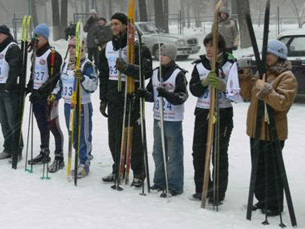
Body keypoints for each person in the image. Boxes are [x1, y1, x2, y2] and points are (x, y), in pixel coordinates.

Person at [239, 39, 297, 216]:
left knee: (272, 169)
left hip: (273, 131)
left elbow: (282, 103)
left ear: (279, 56)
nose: (267, 57)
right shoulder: (262, 73)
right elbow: (246, 95)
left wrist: (264, 87)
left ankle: (274, 203)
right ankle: (262, 199)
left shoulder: (287, 77)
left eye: (270, 54)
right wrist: (247, 78)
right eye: (265, 54)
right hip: (256, 128)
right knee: (258, 167)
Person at [98, 12, 153, 188]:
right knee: (114, 137)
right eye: (112, 24)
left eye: (117, 24)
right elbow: (104, 74)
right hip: (114, 96)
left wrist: (128, 68)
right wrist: (103, 99)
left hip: (131, 96)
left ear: (125, 26)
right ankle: (118, 168)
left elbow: (146, 72)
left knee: (134, 137)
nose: (114, 27)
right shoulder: (107, 47)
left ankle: (139, 172)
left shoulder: (137, 47)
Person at [189, 32, 241, 204]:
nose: (209, 49)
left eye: (212, 46)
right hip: (203, 111)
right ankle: (202, 187)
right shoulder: (200, 65)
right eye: (207, 46)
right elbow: (194, 90)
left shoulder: (230, 65)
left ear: (221, 47)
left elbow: (237, 95)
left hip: (222, 112)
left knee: (218, 153)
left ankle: (218, 192)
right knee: (199, 151)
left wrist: (223, 85)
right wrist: (203, 84)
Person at [137, 43, 188, 196]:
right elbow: (152, 94)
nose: (161, 57)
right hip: (158, 117)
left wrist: (167, 94)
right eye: (159, 54)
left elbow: (182, 97)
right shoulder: (155, 73)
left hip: (173, 119)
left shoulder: (178, 74)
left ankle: (174, 184)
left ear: (171, 57)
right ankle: (159, 180)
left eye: (164, 55)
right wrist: (144, 94)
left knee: (174, 152)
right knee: (158, 151)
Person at [51, 37, 97, 177]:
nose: (70, 49)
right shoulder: (65, 65)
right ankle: (79, 158)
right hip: (67, 105)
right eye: (69, 46)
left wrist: (82, 78)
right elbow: (61, 84)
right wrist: (54, 94)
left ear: (81, 49)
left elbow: (93, 86)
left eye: (73, 47)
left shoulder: (87, 65)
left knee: (83, 135)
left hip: (82, 105)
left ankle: (85, 163)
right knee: (73, 134)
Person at [27, 24, 63, 167]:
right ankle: (44, 151)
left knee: (53, 125)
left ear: (45, 37)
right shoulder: (34, 54)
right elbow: (33, 73)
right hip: (36, 96)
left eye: (38, 36)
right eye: (34, 36)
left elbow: (54, 78)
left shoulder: (52, 54)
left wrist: (41, 92)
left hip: (48, 96)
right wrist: (29, 88)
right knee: (41, 124)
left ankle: (59, 155)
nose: (35, 39)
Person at [0, 25, 23, 161]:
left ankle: (17, 149)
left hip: (9, 91)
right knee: (3, 121)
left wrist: (9, 86)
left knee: (12, 121)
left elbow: (15, 68)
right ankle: (8, 147)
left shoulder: (12, 48)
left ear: (6, 34)